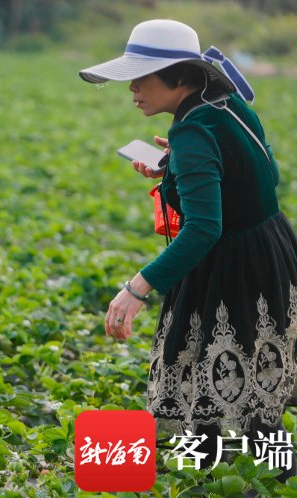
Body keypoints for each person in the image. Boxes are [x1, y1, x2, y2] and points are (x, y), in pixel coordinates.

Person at [80, 19, 297, 477]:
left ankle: (216, 476)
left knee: (204, 374)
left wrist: (138, 287)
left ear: (179, 77)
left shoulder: (193, 134)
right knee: (258, 374)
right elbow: (258, 169)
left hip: (231, 266)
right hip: (271, 248)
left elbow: (202, 229)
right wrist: (175, 169)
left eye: (142, 78)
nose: (132, 89)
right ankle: (266, 473)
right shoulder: (224, 103)